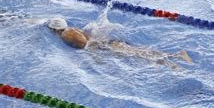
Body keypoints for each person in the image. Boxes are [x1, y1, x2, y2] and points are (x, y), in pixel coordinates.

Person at [47, 17, 192, 68]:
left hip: (103, 46)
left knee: (136, 55)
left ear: (54, 29)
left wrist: (95, 58)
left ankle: (171, 62)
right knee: (138, 51)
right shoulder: (71, 28)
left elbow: (85, 44)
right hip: (106, 42)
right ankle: (175, 56)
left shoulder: (65, 35)